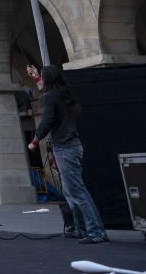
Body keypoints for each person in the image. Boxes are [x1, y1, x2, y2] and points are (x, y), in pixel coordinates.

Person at [29, 65, 108, 244]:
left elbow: (46, 120)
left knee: (77, 191)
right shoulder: (63, 94)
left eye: (41, 77)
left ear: (47, 79)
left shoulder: (50, 97)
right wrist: (35, 77)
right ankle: (81, 229)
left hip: (65, 147)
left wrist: (35, 141)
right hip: (72, 145)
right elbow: (47, 93)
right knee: (71, 191)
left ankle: (96, 231)